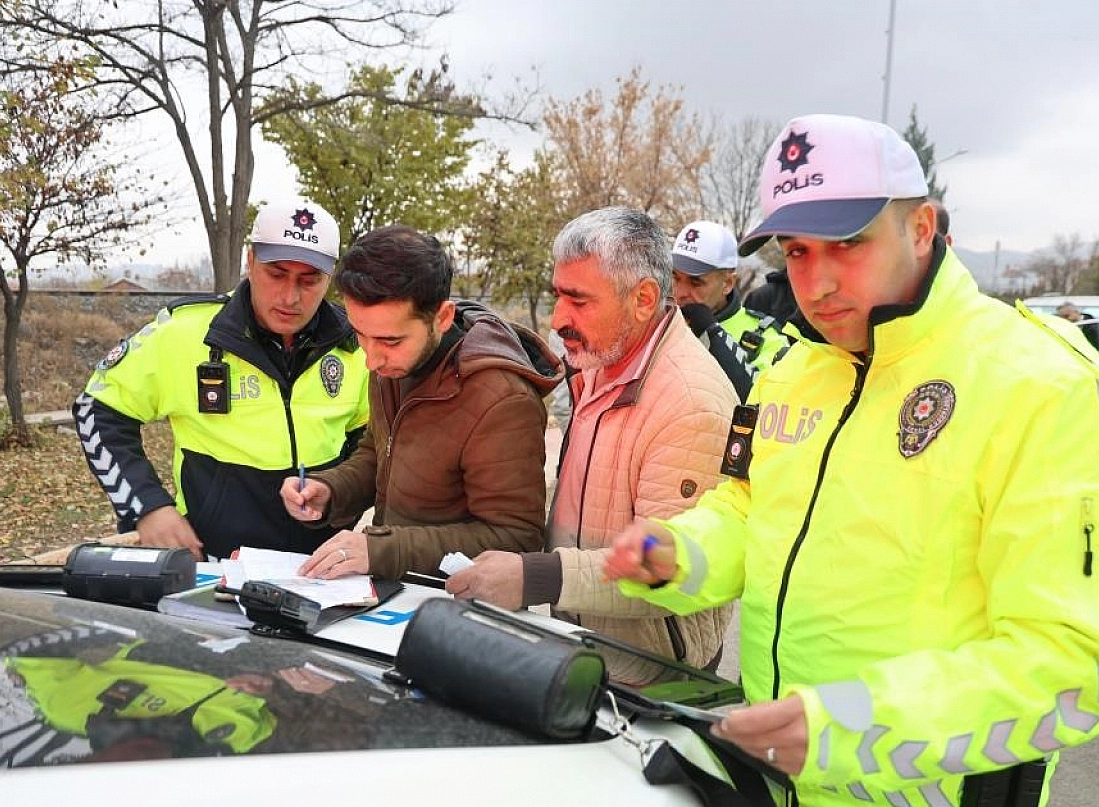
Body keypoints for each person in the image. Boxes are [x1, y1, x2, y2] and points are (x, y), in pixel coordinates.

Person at [604, 114, 1099, 807]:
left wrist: (852, 729)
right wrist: (679, 553)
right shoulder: (795, 370)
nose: (817, 283)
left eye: (848, 244)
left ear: (921, 228)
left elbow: (1081, 660)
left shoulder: (1041, 384)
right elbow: (749, 511)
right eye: (798, 251)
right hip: (777, 793)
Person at [444, 207, 739, 685]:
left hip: (653, 677)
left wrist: (534, 577)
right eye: (558, 295)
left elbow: (664, 572)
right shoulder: (604, 361)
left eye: (579, 301)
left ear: (643, 299)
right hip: (587, 649)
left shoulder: (691, 403)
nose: (559, 318)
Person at [74, 198, 369, 560]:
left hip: (324, 567)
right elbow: (96, 408)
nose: (290, 297)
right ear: (250, 262)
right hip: (214, 563)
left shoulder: (356, 344)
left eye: (309, 281)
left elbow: (370, 442)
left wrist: (340, 495)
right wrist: (147, 506)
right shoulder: (184, 333)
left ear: (330, 278)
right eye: (276, 274)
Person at [281, 225, 562, 580]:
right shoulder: (393, 364)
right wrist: (331, 489)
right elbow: (380, 453)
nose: (371, 360)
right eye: (360, 335)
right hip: (398, 591)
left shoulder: (502, 399)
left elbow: (515, 538)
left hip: (456, 601)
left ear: (442, 318)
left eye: (391, 341)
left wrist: (382, 550)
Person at [671, 219, 789, 400]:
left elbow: (762, 401)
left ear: (727, 283)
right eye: (676, 278)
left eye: (696, 283)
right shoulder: (658, 320)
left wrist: (712, 333)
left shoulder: (767, 336)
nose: (680, 293)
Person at [1057, 301, 1099, 367]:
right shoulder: (1065, 328)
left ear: (1076, 312)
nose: (1065, 320)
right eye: (1061, 318)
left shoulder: (1094, 326)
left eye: (1066, 316)